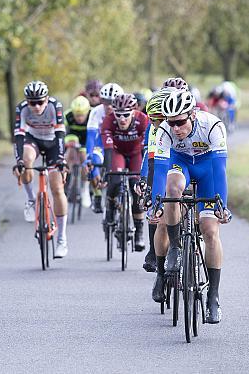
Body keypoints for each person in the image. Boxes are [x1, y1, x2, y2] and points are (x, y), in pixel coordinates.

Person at [149, 90, 231, 324]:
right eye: (171, 122)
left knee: (210, 231)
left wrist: (221, 205)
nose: (175, 128)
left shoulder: (213, 126)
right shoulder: (164, 130)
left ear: (193, 115)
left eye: (180, 122)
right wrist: (157, 201)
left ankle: (213, 297)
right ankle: (174, 247)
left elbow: (220, 169)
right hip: (181, 163)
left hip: (207, 169)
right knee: (172, 191)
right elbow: (161, 170)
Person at [12, 81, 70, 258]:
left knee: (57, 187)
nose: (36, 107)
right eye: (32, 103)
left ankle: (62, 239)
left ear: (46, 99)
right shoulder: (21, 108)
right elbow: (19, 137)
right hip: (34, 139)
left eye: (40, 102)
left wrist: (60, 159)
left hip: (53, 142)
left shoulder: (55, 106)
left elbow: (61, 134)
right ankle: (31, 200)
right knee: (26, 160)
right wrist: (19, 160)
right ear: (27, 102)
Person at [100, 93, 149, 251]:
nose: (122, 119)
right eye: (118, 114)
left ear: (134, 111)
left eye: (126, 115)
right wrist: (107, 172)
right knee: (114, 179)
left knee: (136, 189)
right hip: (117, 153)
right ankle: (111, 208)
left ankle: (139, 232)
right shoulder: (108, 121)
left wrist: (144, 174)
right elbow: (107, 149)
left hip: (136, 154)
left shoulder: (142, 120)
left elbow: (146, 149)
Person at [138, 87, 177, 272]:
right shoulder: (154, 130)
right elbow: (151, 159)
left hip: (183, 166)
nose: (156, 123)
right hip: (162, 165)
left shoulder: (180, 124)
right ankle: (155, 252)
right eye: (152, 119)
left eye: (160, 119)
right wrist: (145, 182)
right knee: (158, 208)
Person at [84, 82, 124, 213]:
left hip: (119, 144)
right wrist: (88, 157)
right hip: (101, 144)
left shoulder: (124, 112)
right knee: (94, 161)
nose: (109, 106)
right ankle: (97, 194)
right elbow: (90, 136)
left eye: (112, 102)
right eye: (106, 102)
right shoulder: (96, 112)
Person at [64, 95, 92, 207]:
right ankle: (68, 177)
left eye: (82, 115)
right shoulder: (67, 115)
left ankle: (85, 188)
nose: (79, 118)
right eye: (77, 115)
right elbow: (62, 132)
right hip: (72, 136)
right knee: (70, 154)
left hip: (87, 137)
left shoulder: (92, 114)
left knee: (84, 158)